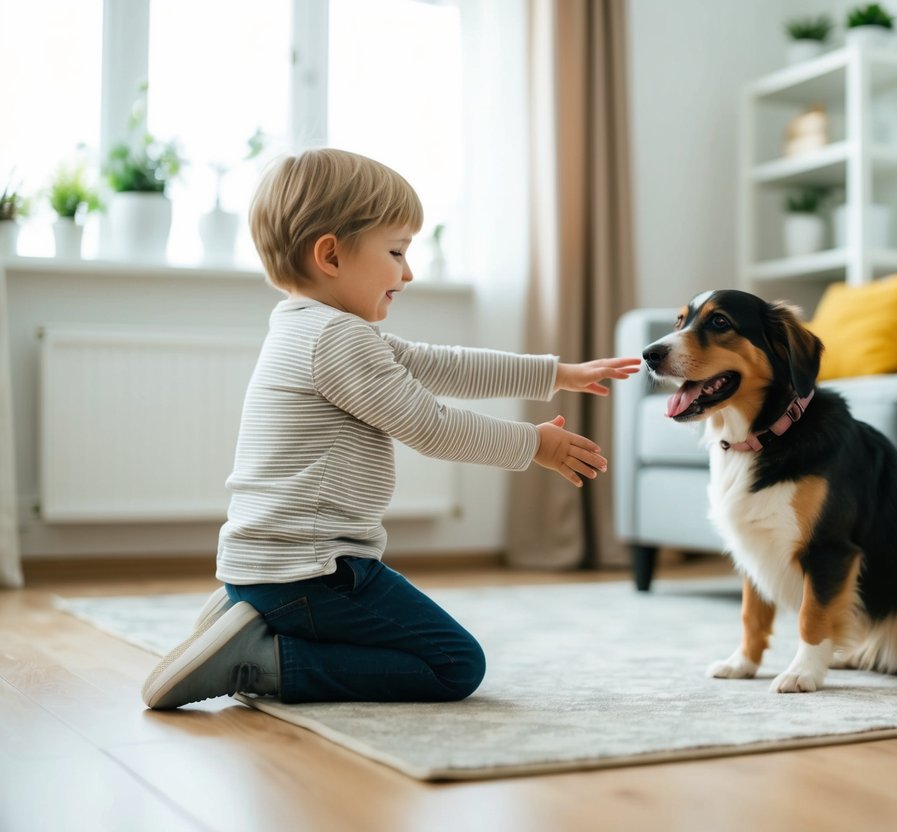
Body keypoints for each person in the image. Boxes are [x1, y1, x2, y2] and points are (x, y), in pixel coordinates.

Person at [141, 148, 639, 709]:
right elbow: (431, 425)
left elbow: (440, 364)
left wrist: (554, 374)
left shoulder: (307, 328)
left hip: (272, 567)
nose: (408, 272)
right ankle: (264, 659)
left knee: (425, 646)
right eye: (397, 251)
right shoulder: (337, 339)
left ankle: (253, 615)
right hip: (315, 572)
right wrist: (534, 445)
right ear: (330, 254)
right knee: (453, 665)